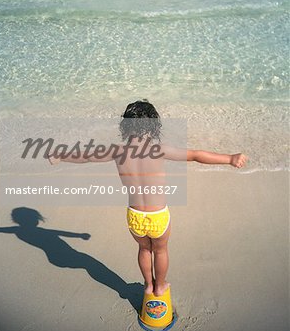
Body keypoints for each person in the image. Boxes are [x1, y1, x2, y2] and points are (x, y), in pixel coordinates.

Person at [49, 100, 247, 296]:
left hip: (134, 216)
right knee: (160, 251)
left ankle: (148, 285)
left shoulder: (117, 151)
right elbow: (195, 155)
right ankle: (160, 286)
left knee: (144, 249)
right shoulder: (158, 149)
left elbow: (87, 156)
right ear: (153, 126)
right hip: (158, 216)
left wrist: (60, 155)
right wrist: (230, 159)